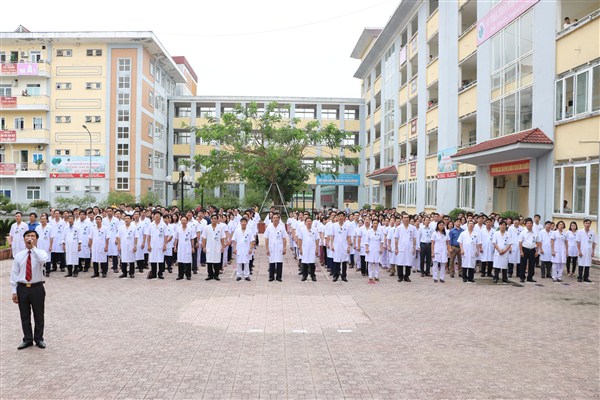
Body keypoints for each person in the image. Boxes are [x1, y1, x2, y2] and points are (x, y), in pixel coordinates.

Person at [10, 229, 49, 349]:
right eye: (27, 236)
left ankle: (39, 339)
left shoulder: (41, 252)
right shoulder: (19, 255)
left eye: (32, 236)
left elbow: (42, 260)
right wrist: (14, 291)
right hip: (22, 288)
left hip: (37, 288)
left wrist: (33, 248)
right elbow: (14, 274)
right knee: (24, 315)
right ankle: (27, 339)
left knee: (39, 315)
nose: (30, 238)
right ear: (24, 239)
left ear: (36, 239)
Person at [201, 214, 227, 281]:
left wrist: (223, 246)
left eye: (215, 218)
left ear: (217, 219)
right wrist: (203, 246)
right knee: (209, 262)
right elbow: (204, 238)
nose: (214, 220)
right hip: (209, 246)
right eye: (212, 219)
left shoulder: (220, 228)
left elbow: (222, 238)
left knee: (217, 261)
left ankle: (216, 275)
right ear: (211, 219)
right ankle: (210, 275)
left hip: (217, 247)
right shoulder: (206, 228)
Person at [146, 210, 171, 280]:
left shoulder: (163, 225)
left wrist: (165, 245)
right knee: (153, 259)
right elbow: (148, 236)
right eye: (155, 214)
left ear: (160, 217)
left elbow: (166, 236)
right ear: (153, 216)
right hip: (153, 245)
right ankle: (153, 273)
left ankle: (160, 273)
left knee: (161, 260)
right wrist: (148, 245)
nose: (157, 216)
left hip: (161, 245)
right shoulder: (151, 225)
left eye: (158, 215)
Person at [264, 213, 287, 282]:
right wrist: (267, 249)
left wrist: (284, 248)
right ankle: (271, 276)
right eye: (274, 218)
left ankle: (279, 277)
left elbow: (284, 238)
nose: (275, 219)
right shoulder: (269, 227)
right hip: (271, 247)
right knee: (272, 262)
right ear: (272, 219)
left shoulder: (281, 227)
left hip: (279, 247)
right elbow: (266, 239)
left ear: (279, 219)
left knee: (279, 262)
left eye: (277, 218)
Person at [395, 214, 417, 282]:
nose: (406, 219)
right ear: (402, 219)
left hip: (409, 247)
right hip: (401, 247)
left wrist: (414, 247)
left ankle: (407, 276)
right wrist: (396, 248)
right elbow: (396, 238)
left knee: (408, 262)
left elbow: (414, 238)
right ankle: (400, 276)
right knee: (400, 262)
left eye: (407, 217)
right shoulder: (399, 228)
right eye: (404, 217)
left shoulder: (413, 228)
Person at [330, 211, 352, 282]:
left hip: (344, 245)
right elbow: (332, 236)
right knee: (336, 261)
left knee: (344, 261)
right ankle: (335, 275)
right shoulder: (334, 225)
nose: (340, 217)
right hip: (336, 245)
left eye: (342, 216)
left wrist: (349, 246)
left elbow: (349, 237)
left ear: (344, 217)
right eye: (339, 216)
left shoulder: (347, 226)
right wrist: (332, 245)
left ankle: (344, 276)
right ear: (337, 217)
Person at [232, 217, 255, 281]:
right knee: (239, 262)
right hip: (239, 248)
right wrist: (234, 248)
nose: (243, 223)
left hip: (246, 249)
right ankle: (239, 275)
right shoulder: (237, 230)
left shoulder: (249, 231)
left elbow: (252, 241)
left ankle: (246, 275)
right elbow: (234, 240)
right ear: (240, 223)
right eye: (242, 222)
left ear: (247, 223)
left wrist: (251, 249)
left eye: (245, 222)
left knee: (246, 262)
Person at [297, 216, 319, 282]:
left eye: (310, 221)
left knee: (312, 263)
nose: (309, 222)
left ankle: (313, 275)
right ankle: (304, 275)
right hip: (304, 248)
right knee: (304, 263)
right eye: (307, 221)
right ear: (305, 222)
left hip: (312, 248)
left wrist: (317, 248)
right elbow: (300, 239)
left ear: (312, 222)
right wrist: (300, 248)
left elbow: (317, 239)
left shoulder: (315, 229)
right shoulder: (302, 229)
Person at [576, 219, 597, 283]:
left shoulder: (592, 232)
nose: (587, 224)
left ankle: (586, 277)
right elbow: (578, 242)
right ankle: (580, 277)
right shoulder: (580, 232)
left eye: (589, 223)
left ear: (590, 224)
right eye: (586, 223)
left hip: (589, 250)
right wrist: (579, 251)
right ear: (584, 224)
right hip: (582, 250)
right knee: (581, 264)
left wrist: (593, 251)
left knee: (587, 264)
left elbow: (594, 242)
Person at [173, 215, 194, 280]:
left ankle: (188, 275)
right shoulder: (178, 229)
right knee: (180, 261)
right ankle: (180, 275)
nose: (183, 221)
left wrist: (192, 247)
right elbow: (176, 238)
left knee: (188, 261)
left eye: (184, 220)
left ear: (187, 221)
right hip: (180, 247)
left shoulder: (190, 229)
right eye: (182, 220)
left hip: (188, 246)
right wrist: (175, 246)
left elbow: (192, 239)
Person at [117, 214, 137, 278]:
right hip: (123, 246)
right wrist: (119, 246)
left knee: (131, 260)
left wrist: (135, 246)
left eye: (128, 218)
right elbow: (118, 237)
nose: (126, 220)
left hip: (131, 245)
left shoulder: (134, 227)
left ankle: (131, 273)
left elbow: (136, 237)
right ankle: (124, 273)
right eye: (125, 218)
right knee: (123, 260)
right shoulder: (121, 228)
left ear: (131, 220)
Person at [518, 218, 538, 283]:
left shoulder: (535, 233)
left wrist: (537, 251)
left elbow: (537, 242)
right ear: (525, 224)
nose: (529, 224)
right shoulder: (523, 233)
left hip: (532, 250)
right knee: (523, 264)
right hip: (525, 249)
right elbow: (520, 242)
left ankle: (530, 277)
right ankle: (522, 277)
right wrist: (521, 251)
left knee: (532, 264)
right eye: (528, 223)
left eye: (530, 223)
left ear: (532, 224)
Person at [365, 219, 383, 283]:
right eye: (374, 223)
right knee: (370, 263)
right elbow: (366, 241)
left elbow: (382, 241)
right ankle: (370, 276)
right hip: (370, 249)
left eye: (376, 223)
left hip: (377, 249)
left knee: (377, 263)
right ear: (372, 224)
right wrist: (367, 248)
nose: (375, 225)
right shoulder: (369, 231)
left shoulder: (380, 232)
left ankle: (376, 276)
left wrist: (381, 248)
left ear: (378, 224)